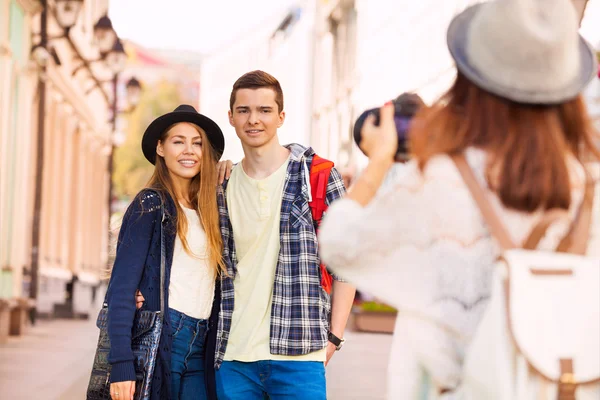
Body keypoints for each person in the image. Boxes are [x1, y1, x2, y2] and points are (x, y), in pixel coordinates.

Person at [318, 0, 600, 398]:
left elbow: (339, 245)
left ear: (472, 79)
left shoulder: (444, 177)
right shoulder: (588, 180)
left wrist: (380, 162)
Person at [209, 70, 356, 399]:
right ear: (231, 117)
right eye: (244, 110)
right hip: (232, 357)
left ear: (281, 117)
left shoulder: (316, 175)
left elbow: (346, 263)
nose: (253, 120)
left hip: (299, 355)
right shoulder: (221, 184)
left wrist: (334, 338)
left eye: (264, 110)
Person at [106, 104, 225, 400]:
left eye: (197, 143)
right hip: (164, 337)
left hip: (202, 343)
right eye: (178, 141)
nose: (189, 150)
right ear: (160, 148)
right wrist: (121, 364)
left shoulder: (211, 208)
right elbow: (121, 289)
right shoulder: (150, 204)